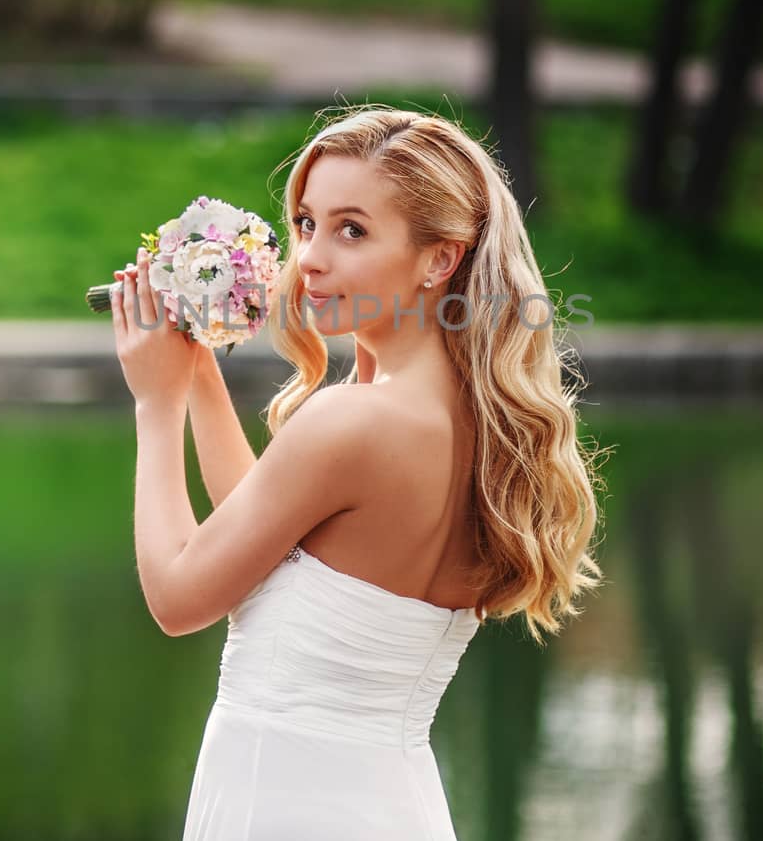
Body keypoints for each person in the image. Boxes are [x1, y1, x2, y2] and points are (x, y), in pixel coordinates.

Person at [108, 105, 606, 839]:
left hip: (282, 808)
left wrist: (157, 404)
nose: (309, 256)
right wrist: (202, 375)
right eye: (307, 223)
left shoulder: (355, 423)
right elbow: (269, 544)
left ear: (441, 258)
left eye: (352, 229)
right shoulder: (479, 422)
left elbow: (181, 596)